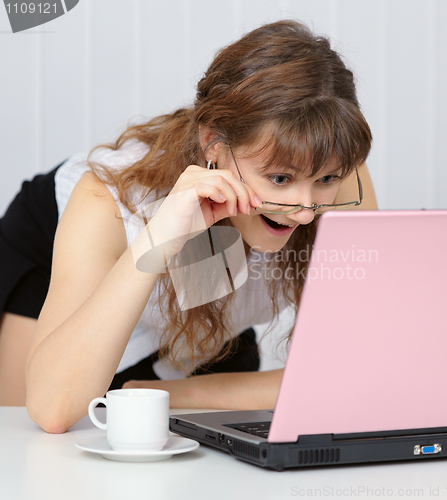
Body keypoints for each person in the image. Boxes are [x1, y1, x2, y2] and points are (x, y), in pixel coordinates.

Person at [0, 20, 376, 433]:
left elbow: (351, 372)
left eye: (325, 179)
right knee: (28, 443)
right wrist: (159, 239)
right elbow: (51, 409)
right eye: (280, 179)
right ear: (215, 146)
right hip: (56, 247)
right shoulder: (107, 200)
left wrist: (172, 396)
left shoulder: (340, 181)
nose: (305, 210)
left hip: (207, 309)